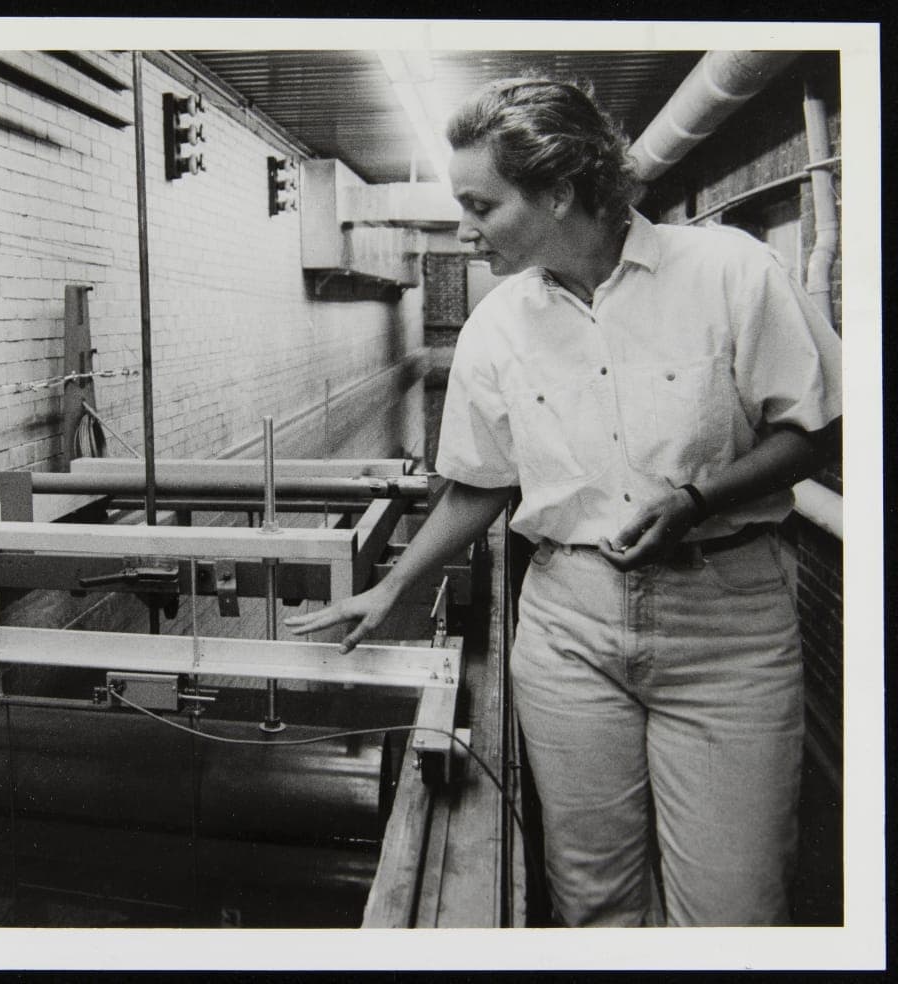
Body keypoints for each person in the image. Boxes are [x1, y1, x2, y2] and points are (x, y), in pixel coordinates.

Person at [285, 76, 842, 927]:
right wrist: (395, 588)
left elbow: (818, 431)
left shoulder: (731, 272)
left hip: (725, 623)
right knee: (594, 899)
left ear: (559, 189)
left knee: (734, 908)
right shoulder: (499, 326)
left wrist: (696, 500)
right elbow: (480, 483)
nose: (464, 228)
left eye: (481, 204)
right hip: (568, 628)